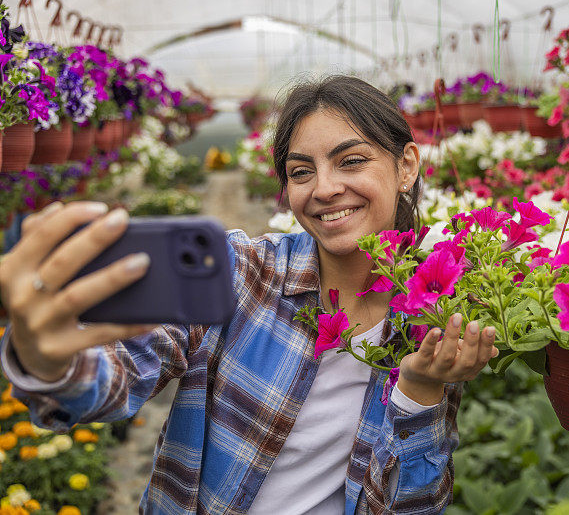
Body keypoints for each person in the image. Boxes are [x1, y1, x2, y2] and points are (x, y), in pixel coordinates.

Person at [0, 75, 498, 514]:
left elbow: (412, 507)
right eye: (301, 171)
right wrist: (50, 362)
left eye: (351, 161)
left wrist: (418, 397)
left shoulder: (437, 309)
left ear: (406, 165)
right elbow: (123, 366)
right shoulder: (243, 273)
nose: (324, 189)